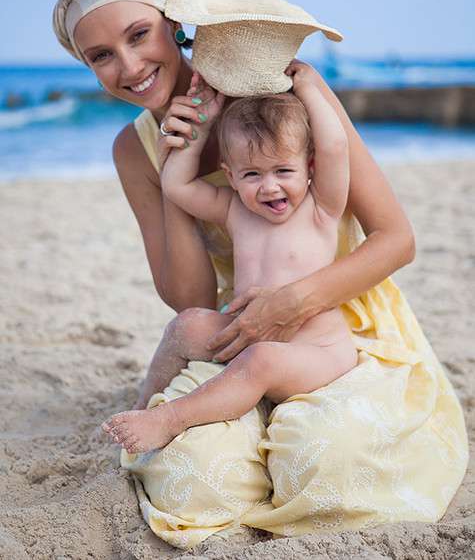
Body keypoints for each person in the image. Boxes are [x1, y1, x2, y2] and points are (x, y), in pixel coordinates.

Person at [44, 0, 468, 550]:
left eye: (138, 35)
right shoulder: (132, 149)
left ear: (172, 24)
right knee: (189, 482)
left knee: (333, 466)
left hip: (335, 325)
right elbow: (187, 295)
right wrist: (173, 169)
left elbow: (396, 239)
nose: (128, 66)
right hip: (236, 333)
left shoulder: (276, 102)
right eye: (101, 56)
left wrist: (296, 301)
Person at [101, 64, 358, 453]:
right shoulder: (235, 209)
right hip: (245, 333)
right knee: (185, 326)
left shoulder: (322, 207)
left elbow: (335, 146)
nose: (270, 186)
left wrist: (307, 86)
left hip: (316, 352)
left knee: (262, 360)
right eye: (252, 174)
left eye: (283, 170)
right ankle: (141, 406)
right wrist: (200, 131)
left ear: (308, 168)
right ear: (230, 175)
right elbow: (176, 185)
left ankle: (170, 418)